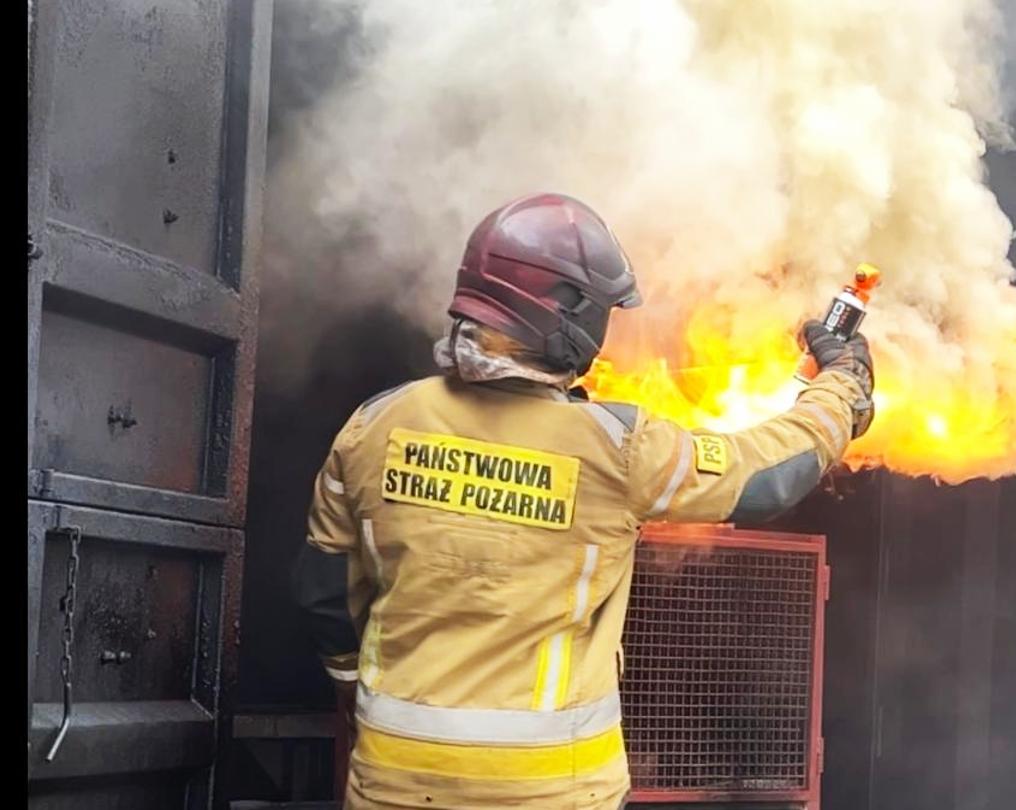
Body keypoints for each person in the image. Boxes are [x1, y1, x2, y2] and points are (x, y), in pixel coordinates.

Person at [291, 192, 875, 810]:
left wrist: (357, 690)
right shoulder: (615, 447)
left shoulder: (373, 426)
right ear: (569, 315)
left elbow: (325, 594)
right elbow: (765, 477)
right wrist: (842, 387)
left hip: (393, 783)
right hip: (555, 793)